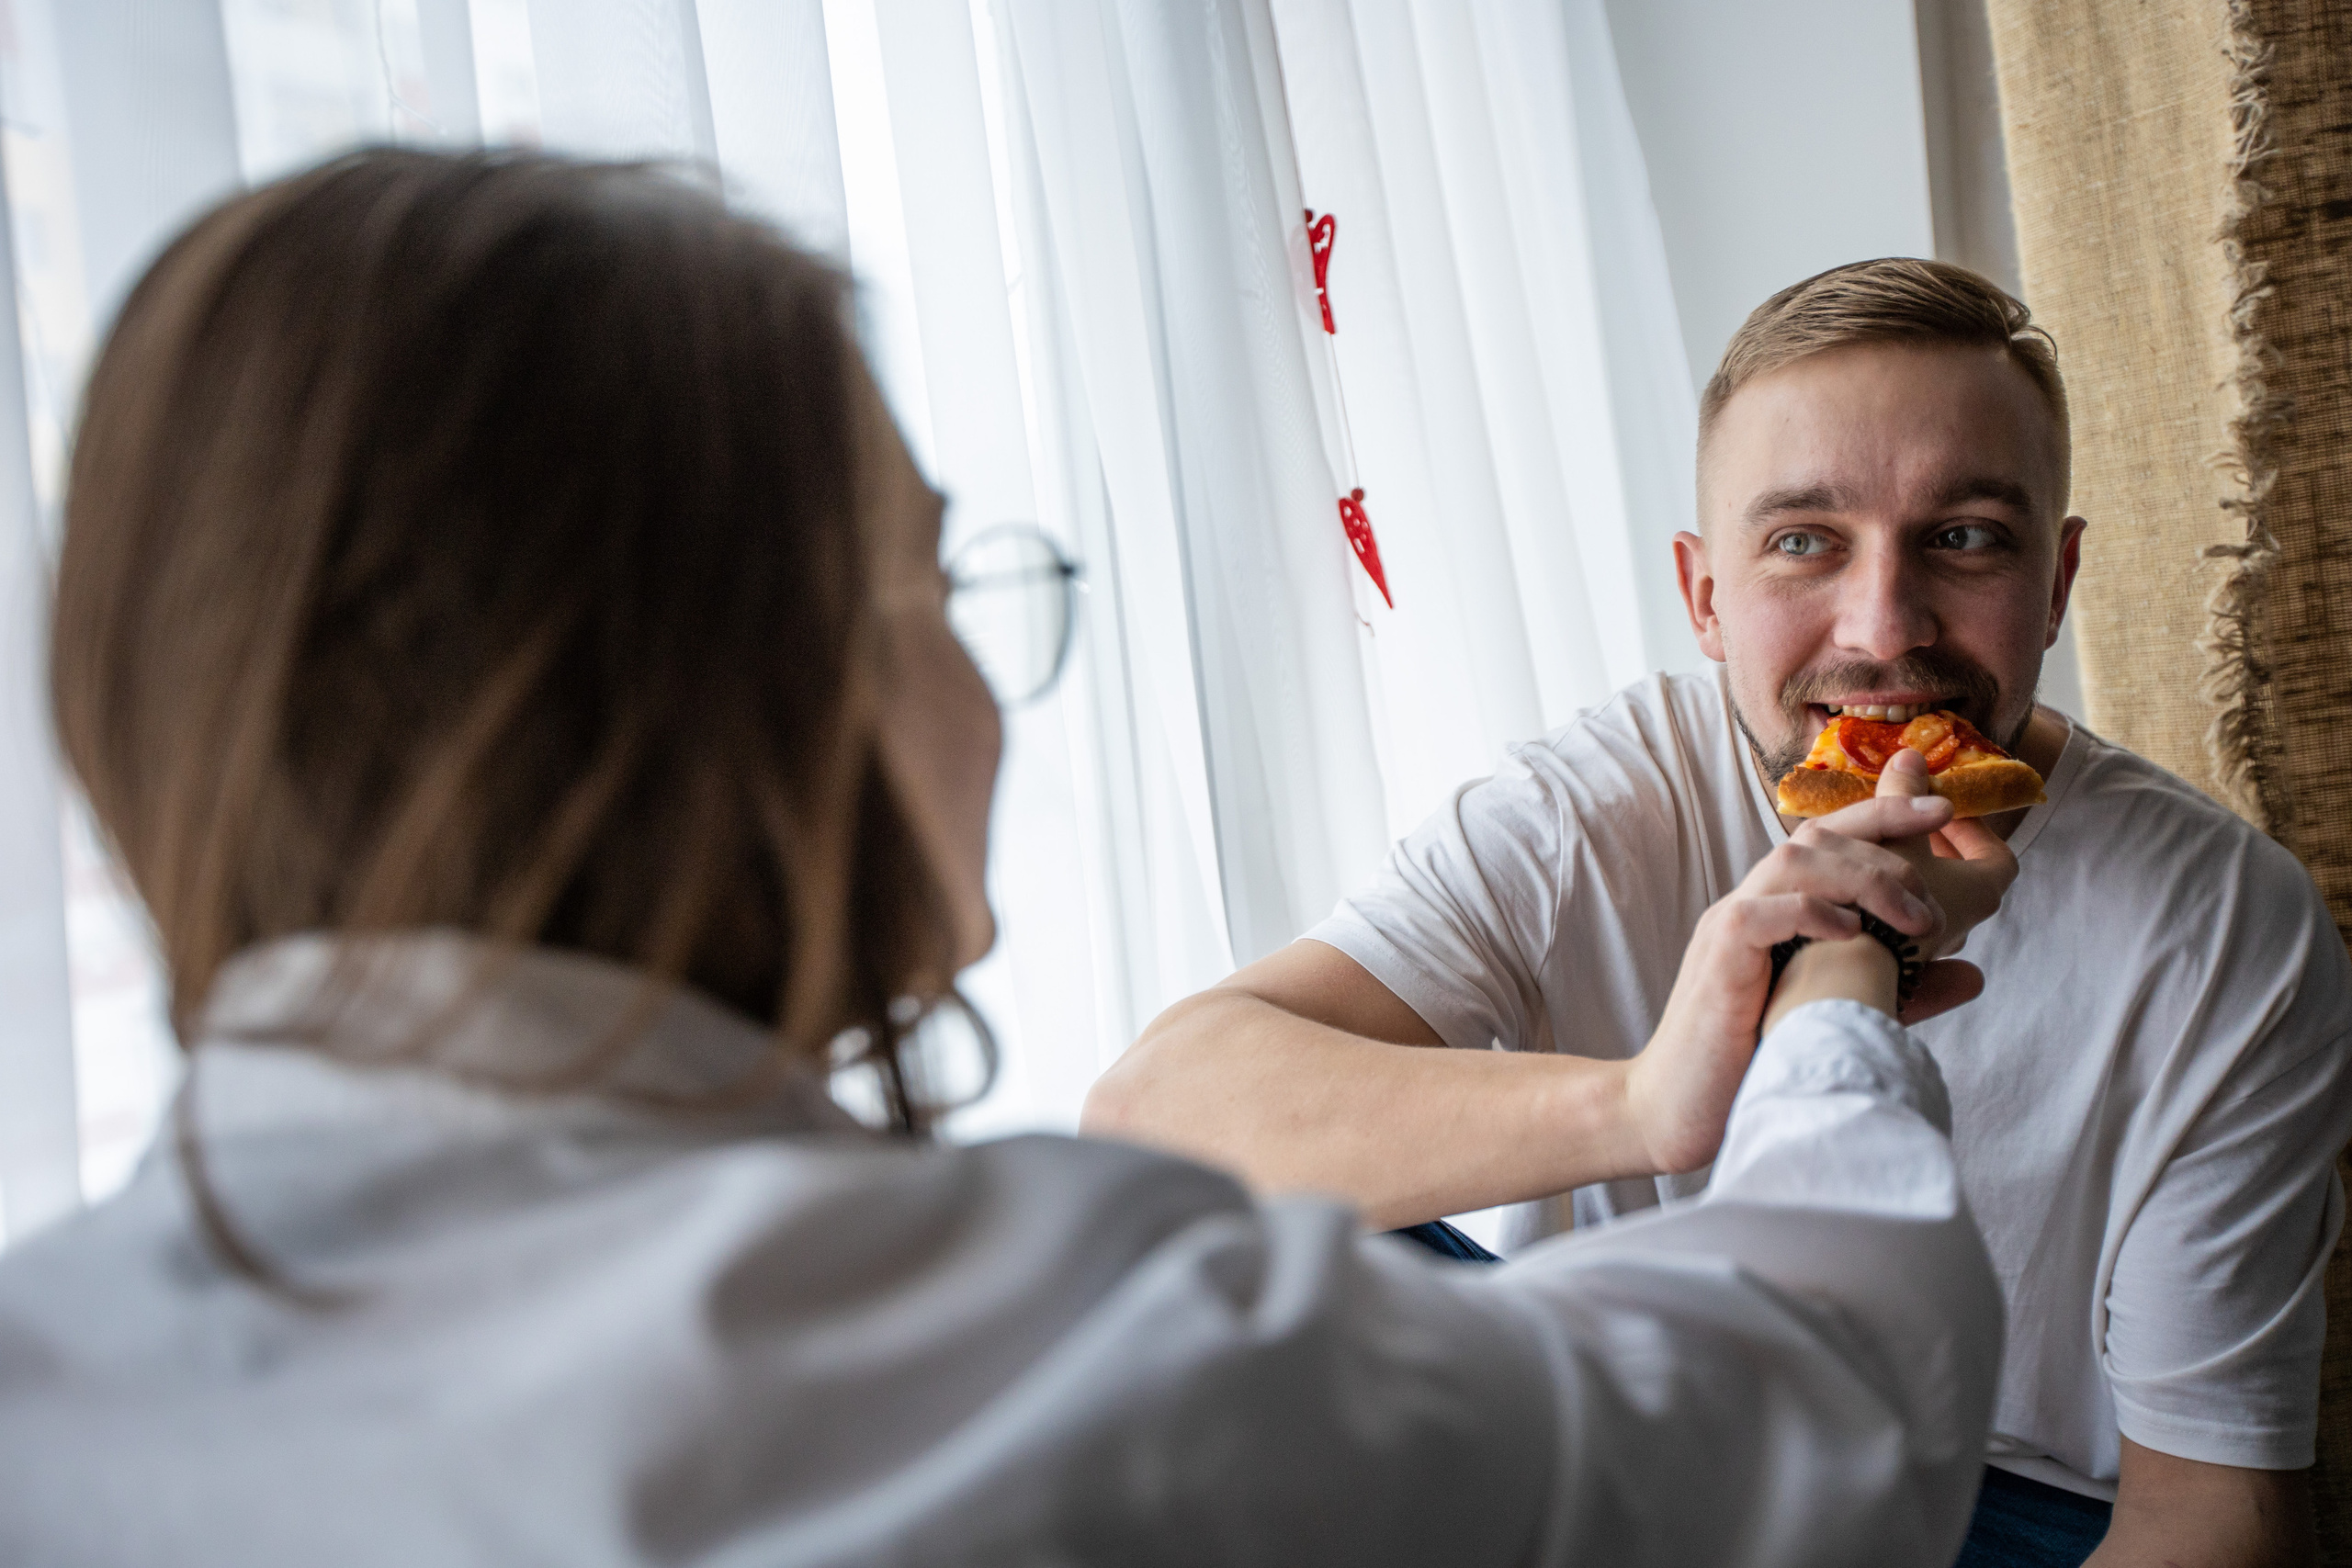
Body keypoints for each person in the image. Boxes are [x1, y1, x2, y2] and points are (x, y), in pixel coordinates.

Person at [0, 150, 2004, 1566]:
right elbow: (1823, 1392)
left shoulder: (50, 1399)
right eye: (935, 578)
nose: (985, 679)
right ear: (758, 686)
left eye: (1967, 538)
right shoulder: (1053, 1345)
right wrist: (1832, 965)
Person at [1088, 257, 2352, 1566]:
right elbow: (1152, 1118)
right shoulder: (1596, 802)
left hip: (1990, 1515)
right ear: (1704, 597)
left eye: (1965, 537)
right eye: (1805, 541)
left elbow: (2216, 1519)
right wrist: (1645, 1102)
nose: (1884, 628)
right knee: (1261, 1250)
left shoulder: (2225, 924)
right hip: (1627, 1438)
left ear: (2058, 580)